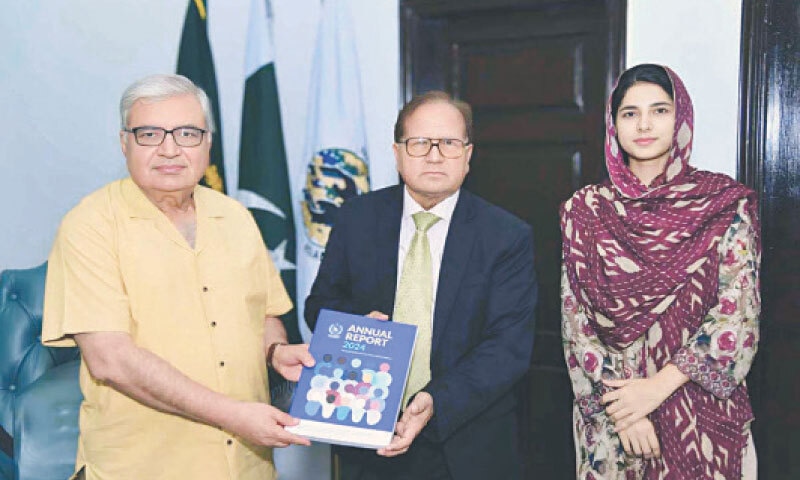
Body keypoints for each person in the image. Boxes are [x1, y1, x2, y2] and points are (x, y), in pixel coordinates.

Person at [41, 74, 314, 480]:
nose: (170, 150)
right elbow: (110, 359)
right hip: (140, 468)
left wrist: (274, 351)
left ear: (207, 143)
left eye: (187, 133)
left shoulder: (236, 217)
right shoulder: (90, 225)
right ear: (125, 143)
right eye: (150, 133)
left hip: (246, 466)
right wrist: (233, 415)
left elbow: (261, 317)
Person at [305, 91, 537, 479]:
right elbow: (320, 303)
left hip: (468, 441)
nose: (434, 155)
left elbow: (508, 348)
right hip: (368, 434)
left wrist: (434, 401)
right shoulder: (356, 218)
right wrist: (359, 327)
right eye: (419, 143)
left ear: (468, 155)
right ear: (397, 154)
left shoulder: (506, 236)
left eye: (448, 143)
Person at [560, 64, 760, 479]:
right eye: (629, 113)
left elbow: (737, 315)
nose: (644, 124)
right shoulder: (587, 210)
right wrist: (627, 413)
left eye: (660, 110)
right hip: (615, 421)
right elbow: (576, 324)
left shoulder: (722, 204)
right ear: (613, 125)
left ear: (681, 118)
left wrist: (654, 390)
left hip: (700, 409)